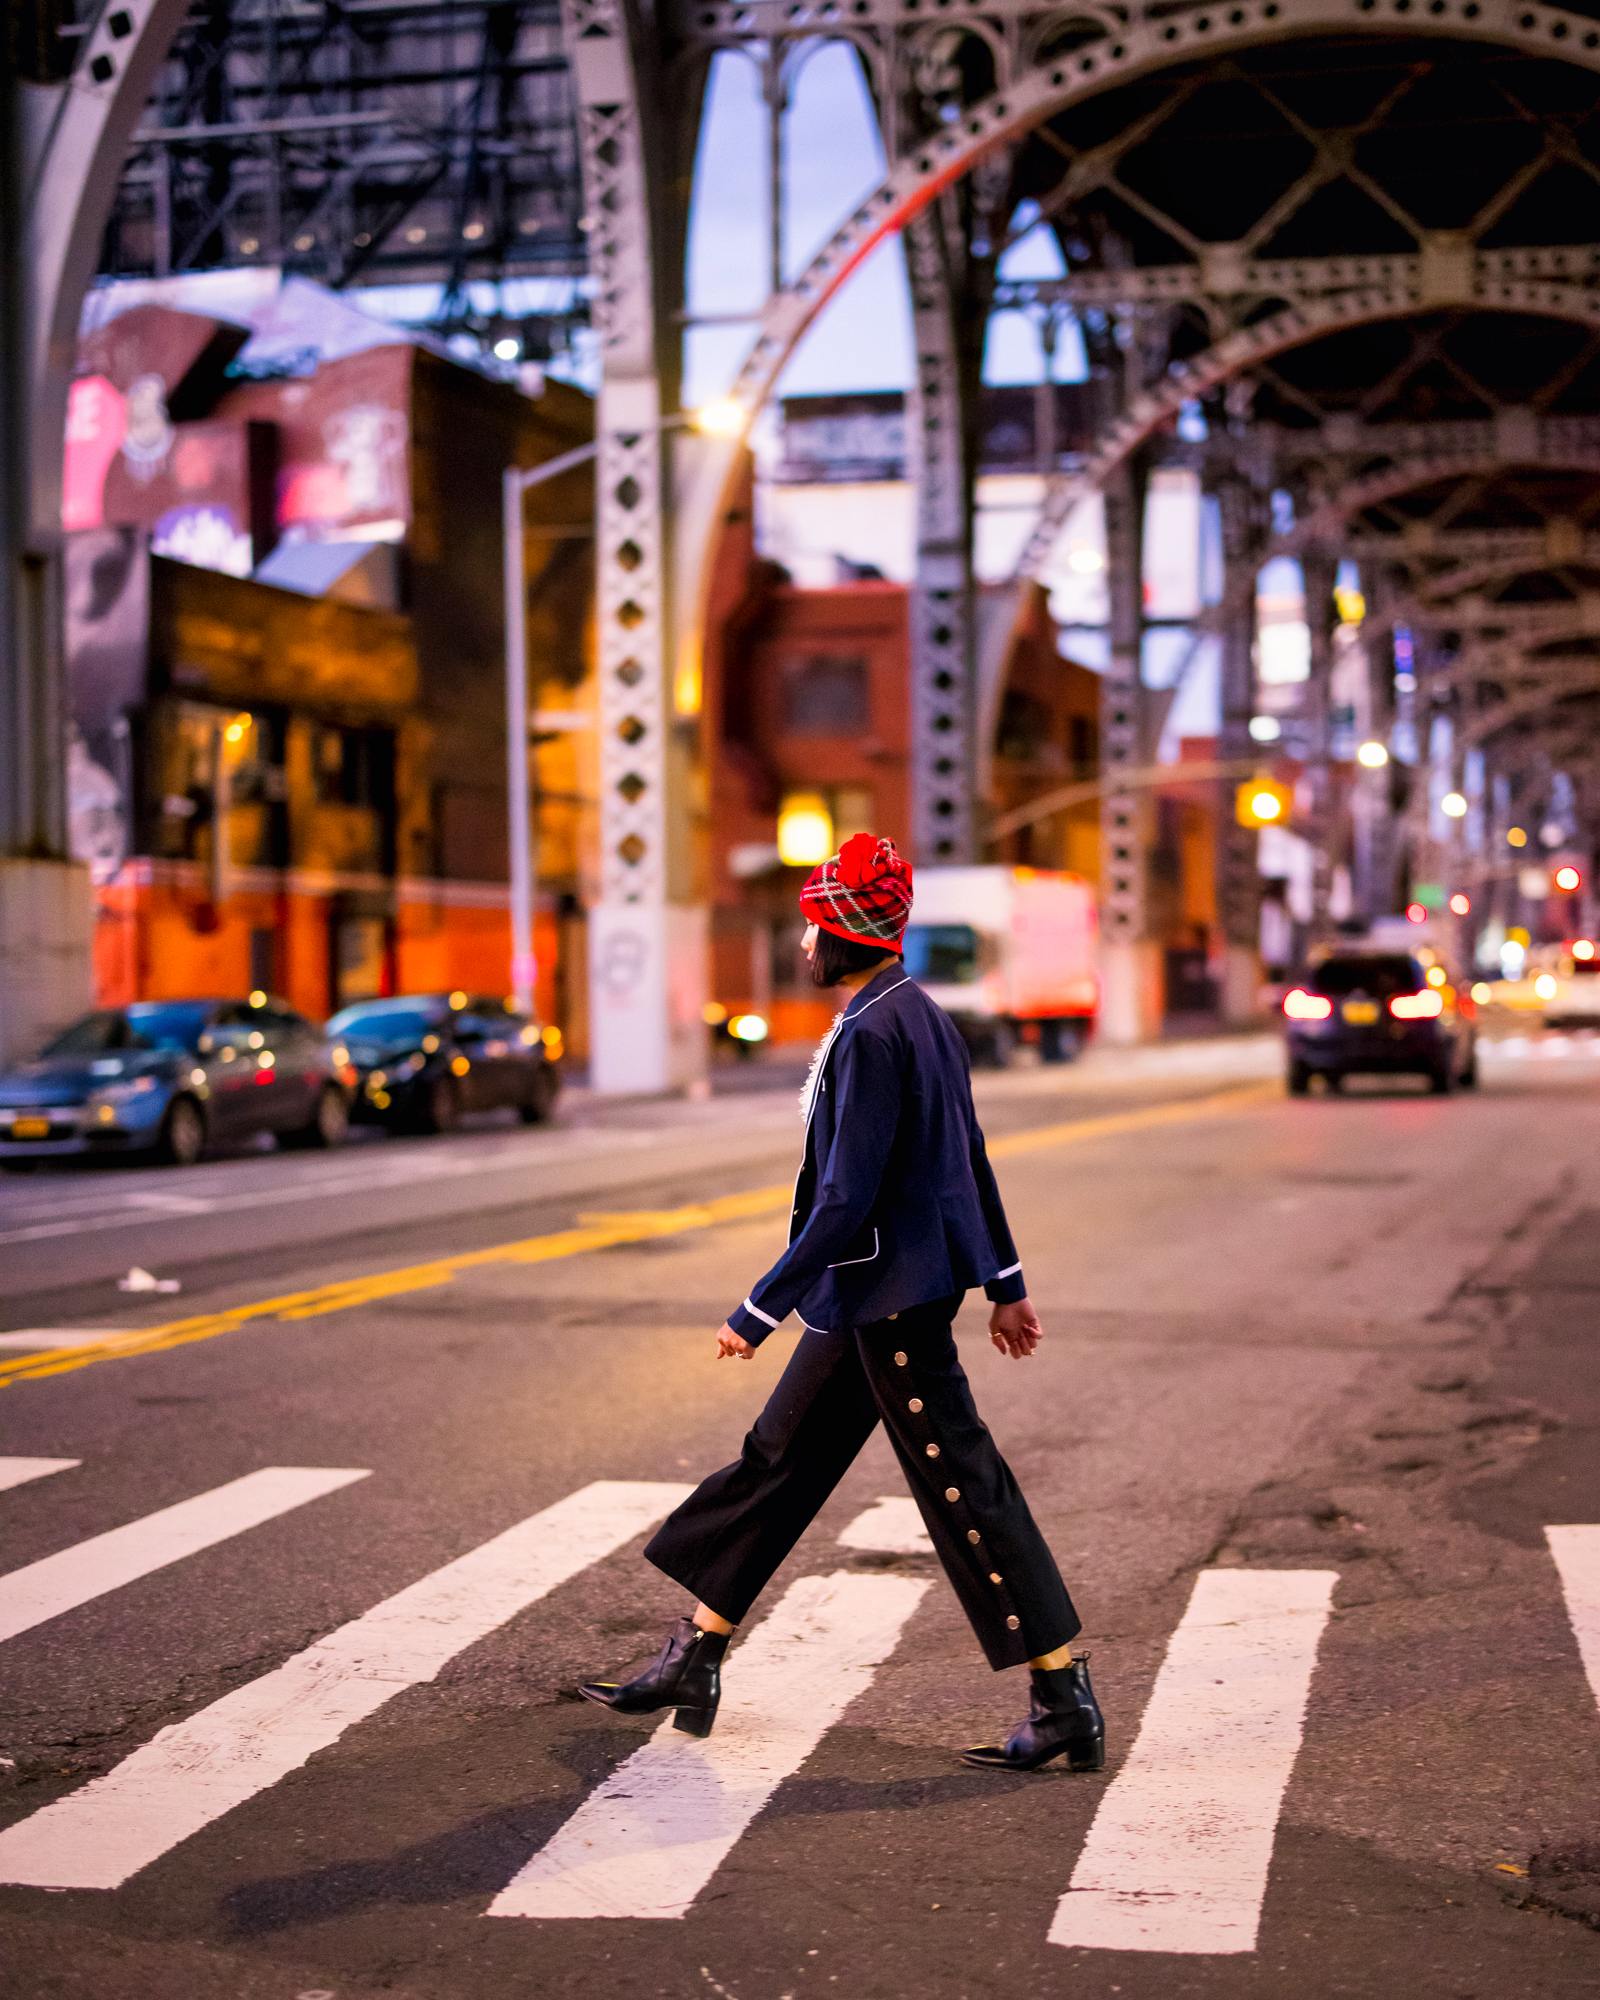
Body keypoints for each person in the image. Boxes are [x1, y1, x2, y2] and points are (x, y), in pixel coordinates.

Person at [579, 832, 1101, 1772]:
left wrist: (757, 1307)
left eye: (814, 926)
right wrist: (1004, 1283)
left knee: (964, 1487)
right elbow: (966, 1159)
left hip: (889, 1305)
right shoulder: (922, 1013)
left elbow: (845, 1198)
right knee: (779, 1458)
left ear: (846, 932)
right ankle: (694, 1654)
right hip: (876, 1297)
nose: (803, 944)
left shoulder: (871, 1031)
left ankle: (1061, 1693)